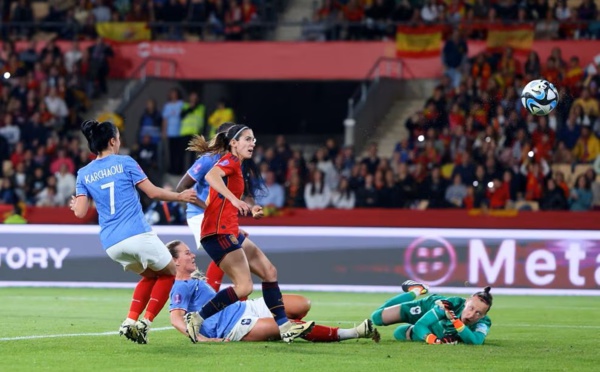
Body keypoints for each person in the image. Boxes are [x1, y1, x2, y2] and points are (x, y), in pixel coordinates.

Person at [183, 123, 315, 344]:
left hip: (229, 229)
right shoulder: (229, 161)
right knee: (244, 287)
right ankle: (196, 318)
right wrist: (234, 200)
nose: (252, 143)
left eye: (253, 139)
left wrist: (250, 207)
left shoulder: (238, 166)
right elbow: (211, 177)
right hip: (217, 232)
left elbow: (217, 197)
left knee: (269, 272)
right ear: (233, 143)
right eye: (247, 139)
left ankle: (284, 327)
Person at [70, 120, 197, 344]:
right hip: (137, 234)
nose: (119, 142)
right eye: (118, 138)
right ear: (112, 141)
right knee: (169, 273)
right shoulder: (125, 162)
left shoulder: (83, 173)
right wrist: (180, 196)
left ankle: (129, 321)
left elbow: (80, 212)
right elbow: (153, 193)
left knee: (150, 275)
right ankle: (144, 323)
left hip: (111, 244)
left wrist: (74, 205)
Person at [168, 240, 379, 342]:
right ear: (175, 261)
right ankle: (352, 333)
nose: (192, 255)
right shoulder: (180, 286)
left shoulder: (196, 280)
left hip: (245, 307)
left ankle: (278, 332)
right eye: (187, 254)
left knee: (302, 304)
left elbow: (217, 296)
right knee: (290, 326)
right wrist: (203, 339)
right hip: (234, 327)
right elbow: (176, 319)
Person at [370, 280, 492, 345]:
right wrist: (434, 341)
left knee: (400, 333)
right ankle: (416, 290)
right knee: (377, 318)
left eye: (478, 313)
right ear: (466, 302)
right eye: (471, 308)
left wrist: (455, 321)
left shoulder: (484, 322)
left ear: (483, 315)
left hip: (436, 326)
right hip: (427, 308)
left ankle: (417, 331)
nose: (471, 315)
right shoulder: (448, 305)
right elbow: (420, 325)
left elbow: (476, 341)